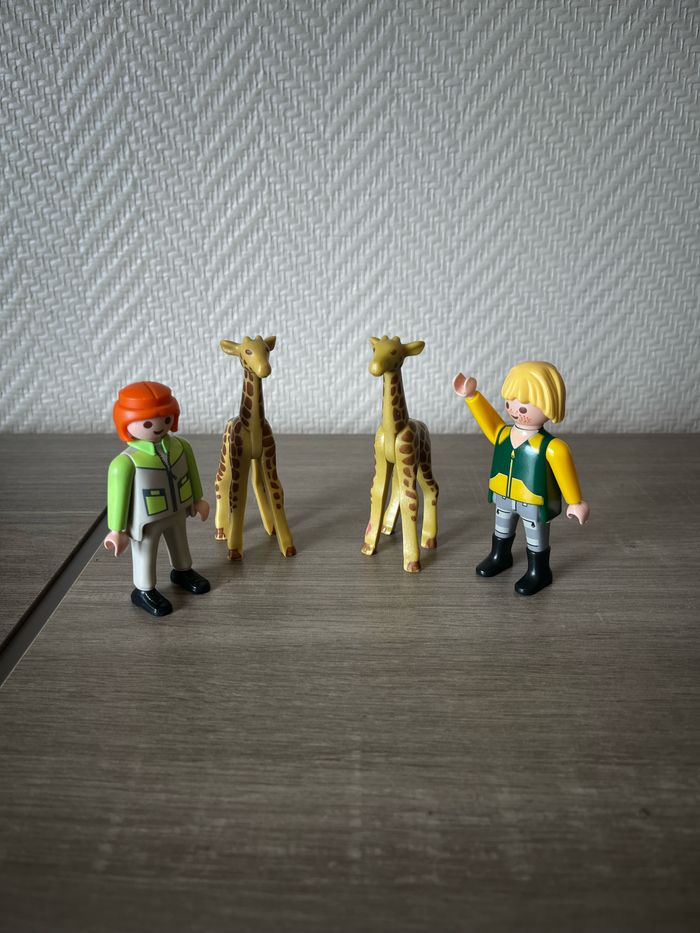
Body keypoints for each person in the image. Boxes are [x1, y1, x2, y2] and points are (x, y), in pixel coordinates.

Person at [453, 361, 589, 596]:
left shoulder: (552, 447)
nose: (515, 411)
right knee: (501, 529)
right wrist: (472, 396)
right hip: (503, 496)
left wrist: (575, 501)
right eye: (509, 403)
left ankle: (539, 571)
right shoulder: (504, 433)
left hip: (533, 501)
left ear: (549, 405)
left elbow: (564, 472)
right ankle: (500, 556)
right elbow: (490, 423)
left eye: (523, 408)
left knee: (535, 537)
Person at [104, 381, 210, 616]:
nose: (159, 426)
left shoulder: (181, 447)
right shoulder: (125, 462)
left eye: (166, 419)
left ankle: (182, 571)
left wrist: (197, 499)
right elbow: (118, 497)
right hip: (147, 519)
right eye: (148, 423)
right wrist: (117, 530)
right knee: (146, 551)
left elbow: (191, 473)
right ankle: (144, 590)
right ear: (126, 423)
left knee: (180, 542)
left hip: (178, 509)